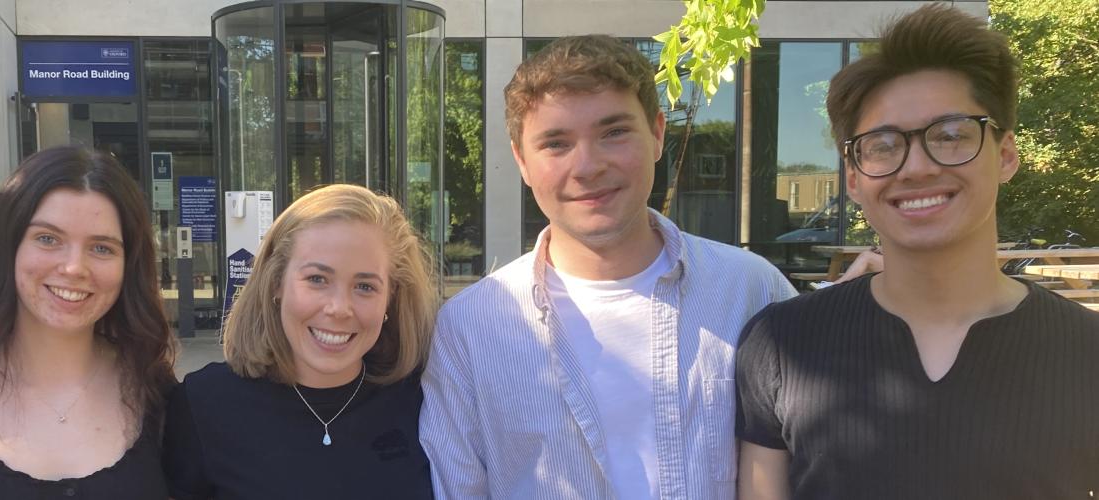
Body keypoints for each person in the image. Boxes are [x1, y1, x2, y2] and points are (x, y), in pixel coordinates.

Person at [735, 5, 1099, 499]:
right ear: (854, 178)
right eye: (883, 145)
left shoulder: (1085, 352)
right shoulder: (781, 345)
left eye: (950, 136)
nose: (917, 167)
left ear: (1007, 154)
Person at [419, 35, 797, 499]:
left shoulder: (752, 291)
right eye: (555, 143)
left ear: (658, 134)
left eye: (613, 132)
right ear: (521, 161)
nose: (588, 166)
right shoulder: (470, 328)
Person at [0, 145, 177, 498]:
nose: (73, 268)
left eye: (101, 248)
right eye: (48, 239)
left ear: (128, 266)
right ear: (8, 246)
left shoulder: (156, 392)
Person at [164, 184, 437, 500]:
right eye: (317, 279)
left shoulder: (422, 400)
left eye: (364, 286)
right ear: (276, 282)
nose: (338, 308)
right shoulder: (203, 404)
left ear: (391, 300)